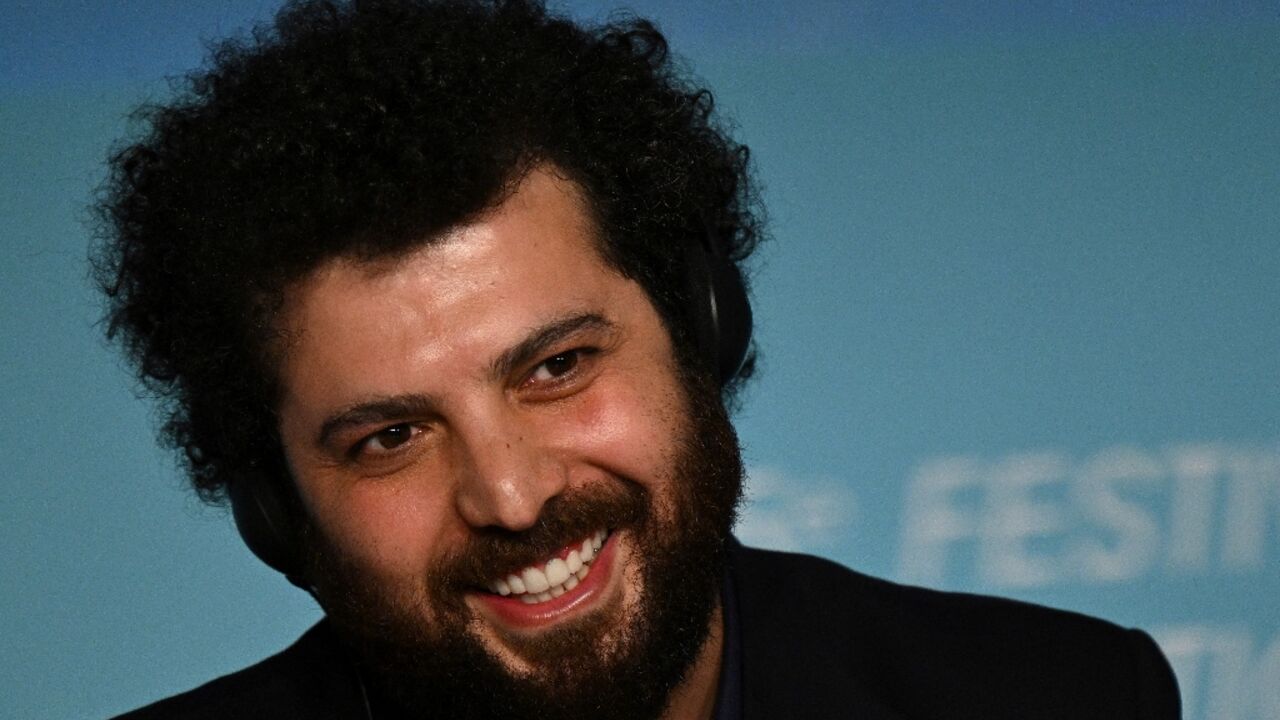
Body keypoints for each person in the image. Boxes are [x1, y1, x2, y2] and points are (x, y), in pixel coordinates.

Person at [96, 1, 1181, 718]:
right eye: (390, 437)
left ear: (700, 329)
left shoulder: (1059, 700)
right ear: (275, 507)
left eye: (556, 368)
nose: (512, 498)